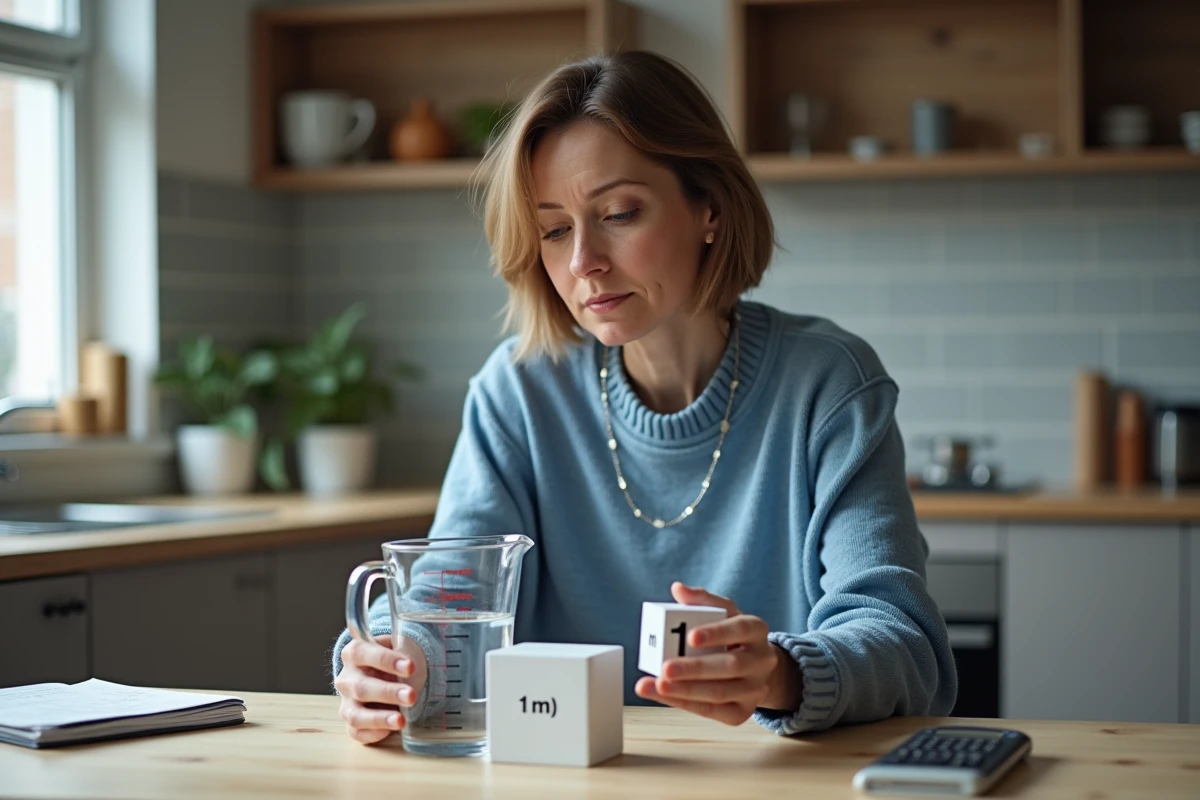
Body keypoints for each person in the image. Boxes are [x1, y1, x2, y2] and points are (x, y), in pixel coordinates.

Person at [332, 50, 957, 745]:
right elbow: (442, 594)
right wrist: (382, 660)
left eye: (620, 213)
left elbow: (907, 646)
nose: (583, 262)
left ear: (709, 209)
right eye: (555, 229)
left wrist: (780, 672)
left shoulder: (827, 384)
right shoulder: (518, 391)